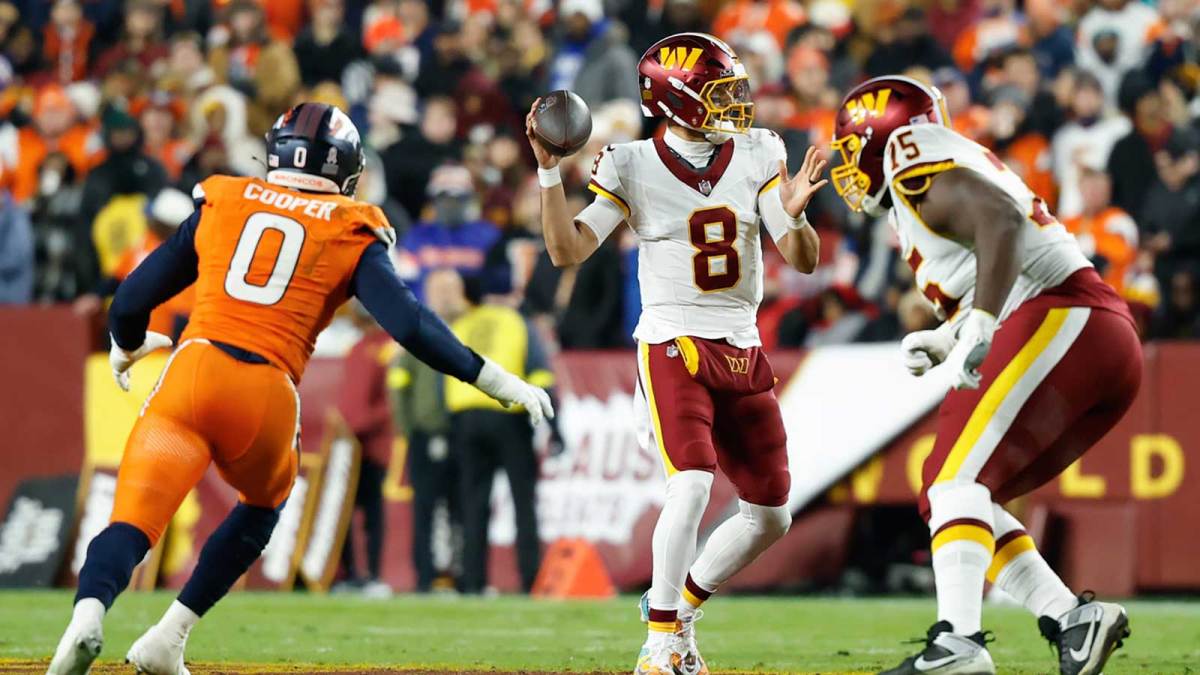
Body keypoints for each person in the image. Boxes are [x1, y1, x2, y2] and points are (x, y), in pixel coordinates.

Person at [47, 102, 553, 675]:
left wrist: (125, 341)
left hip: (192, 370)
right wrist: (492, 377)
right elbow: (408, 323)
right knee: (262, 507)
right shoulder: (350, 225)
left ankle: (88, 615)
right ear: (345, 169)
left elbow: (135, 294)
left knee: (132, 522)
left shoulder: (227, 198)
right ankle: (170, 635)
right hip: (265, 390)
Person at [527, 32, 824, 675]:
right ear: (678, 99)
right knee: (689, 483)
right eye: (720, 93)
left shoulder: (758, 151)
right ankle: (660, 641)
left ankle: (680, 610)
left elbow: (800, 257)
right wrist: (550, 173)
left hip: (742, 342)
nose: (736, 104)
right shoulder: (630, 162)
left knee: (771, 516)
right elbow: (566, 250)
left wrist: (796, 218)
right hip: (672, 340)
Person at [829, 75, 1140, 675]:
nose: (849, 163)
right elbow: (995, 247)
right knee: (950, 491)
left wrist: (980, 323)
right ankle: (1071, 619)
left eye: (850, 146)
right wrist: (951, 333)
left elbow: (1000, 221)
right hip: (1092, 336)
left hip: (1064, 316)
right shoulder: (936, 169)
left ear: (881, 135)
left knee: (952, 480)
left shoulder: (904, 153)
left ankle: (959, 644)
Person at [444, 273, 556, 594]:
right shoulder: (516, 322)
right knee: (523, 501)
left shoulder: (462, 325)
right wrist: (555, 425)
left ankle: (473, 581)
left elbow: (444, 375)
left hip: (464, 417)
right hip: (509, 417)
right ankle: (530, 580)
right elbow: (539, 369)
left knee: (473, 503)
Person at [335, 303, 395, 599]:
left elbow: (390, 402)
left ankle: (373, 574)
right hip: (349, 444)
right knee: (344, 511)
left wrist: (359, 424)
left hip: (373, 445)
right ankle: (348, 574)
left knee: (372, 511)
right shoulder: (356, 347)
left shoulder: (388, 348)